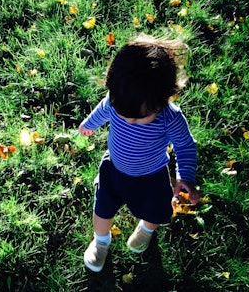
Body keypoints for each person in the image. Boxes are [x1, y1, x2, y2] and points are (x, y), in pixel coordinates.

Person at [78, 34, 200, 272]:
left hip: (150, 176)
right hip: (113, 169)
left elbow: (185, 146)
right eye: (123, 113)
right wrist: (89, 124)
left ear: (164, 99)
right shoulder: (117, 100)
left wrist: (185, 176)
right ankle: (101, 241)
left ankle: (145, 229)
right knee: (102, 208)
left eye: (140, 116)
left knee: (156, 210)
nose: (130, 119)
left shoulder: (170, 118)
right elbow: (103, 110)